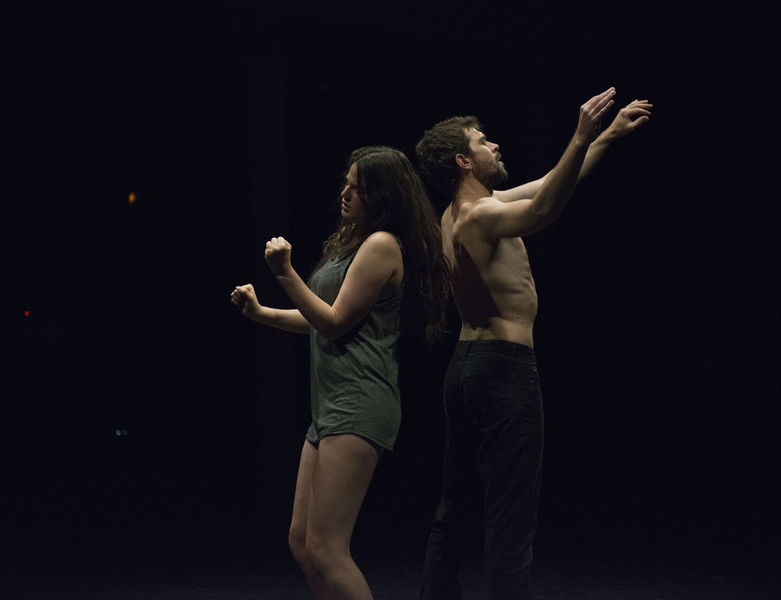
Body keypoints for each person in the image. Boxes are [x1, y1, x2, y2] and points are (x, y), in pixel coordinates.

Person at [413, 88, 653, 600]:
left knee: (455, 505)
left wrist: (605, 137)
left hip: (466, 368)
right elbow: (545, 209)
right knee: (510, 513)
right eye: (483, 142)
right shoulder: (479, 216)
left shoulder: (455, 214)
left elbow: (548, 183)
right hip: (504, 368)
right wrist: (579, 135)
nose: (495, 145)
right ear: (463, 161)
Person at [230, 146, 449, 600]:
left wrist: (285, 273)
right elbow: (322, 316)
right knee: (302, 543)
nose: (345, 194)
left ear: (383, 195)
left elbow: (333, 322)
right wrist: (261, 312)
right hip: (330, 405)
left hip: (360, 402)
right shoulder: (352, 242)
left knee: (328, 549)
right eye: (346, 184)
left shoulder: (382, 245)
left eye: (358, 188)